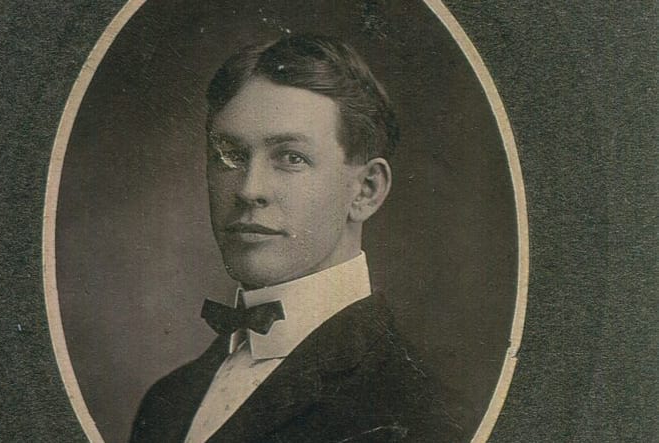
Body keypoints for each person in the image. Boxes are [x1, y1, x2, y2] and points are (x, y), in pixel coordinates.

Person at [130, 34, 465, 443]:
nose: (249, 189)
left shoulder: (412, 410)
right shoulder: (166, 400)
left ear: (366, 191)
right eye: (229, 155)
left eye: (291, 157)